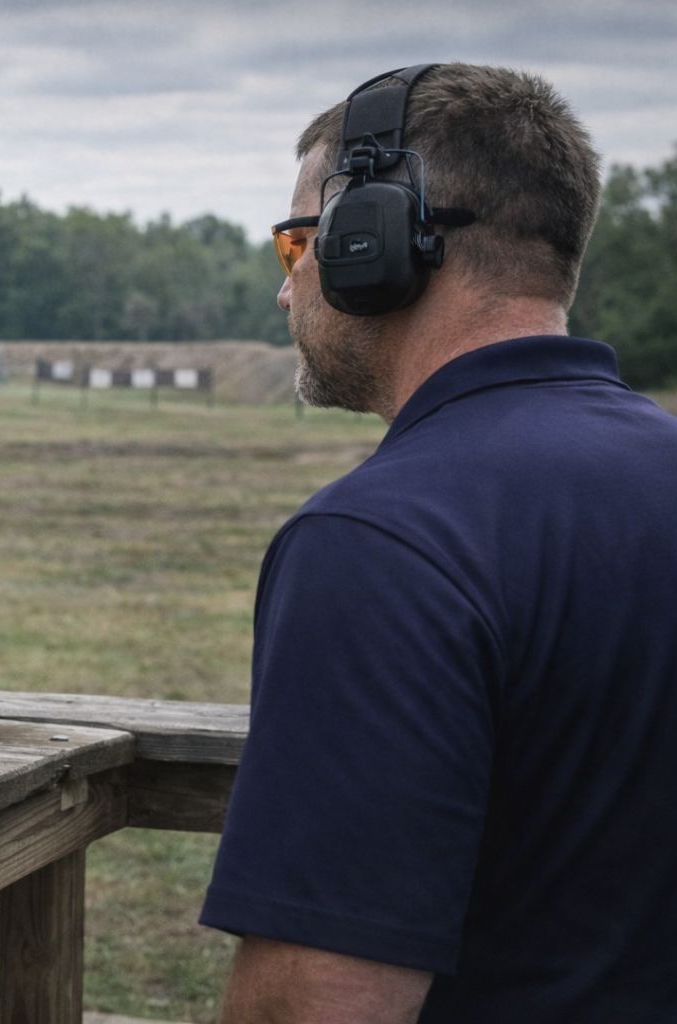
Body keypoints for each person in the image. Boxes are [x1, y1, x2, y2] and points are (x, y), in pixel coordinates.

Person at [200, 63, 677, 1022]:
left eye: (298, 245)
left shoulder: (381, 540)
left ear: (374, 240)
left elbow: (314, 1004)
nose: (286, 296)